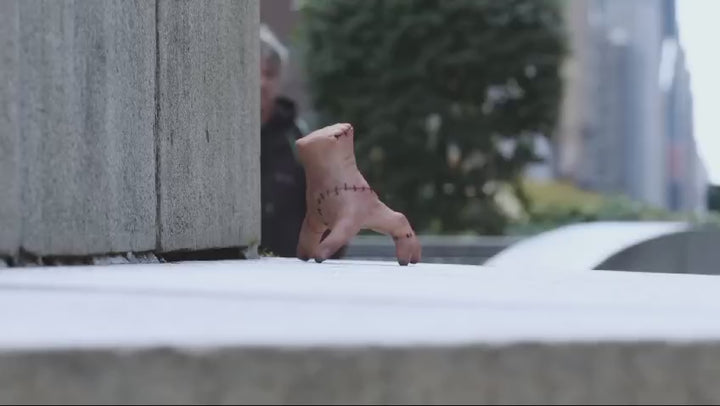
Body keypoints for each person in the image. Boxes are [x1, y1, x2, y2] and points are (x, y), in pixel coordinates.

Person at [259, 24, 307, 258]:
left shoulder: (297, 140)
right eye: (253, 72)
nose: (261, 83)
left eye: (269, 74)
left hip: (288, 270)